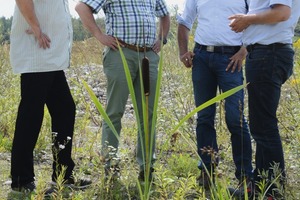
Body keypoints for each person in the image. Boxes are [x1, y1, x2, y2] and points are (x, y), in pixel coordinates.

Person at [75, 0, 170, 181]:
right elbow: (81, 7)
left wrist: (162, 38)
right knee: (114, 111)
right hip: (120, 53)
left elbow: (165, 14)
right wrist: (99, 35)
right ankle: (110, 166)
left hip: (148, 56)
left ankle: (147, 167)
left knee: (148, 113)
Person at [10, 0, 91, 194]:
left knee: (65, 109)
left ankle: (62, 176)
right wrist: (36, 27)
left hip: (51, 57)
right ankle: (21, 180)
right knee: (31, 116)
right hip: (37, 55)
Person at [177, 0, 253, 191]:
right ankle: (207, 171)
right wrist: (182, 51)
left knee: (236, 118)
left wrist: (244, 51)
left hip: (231, 58)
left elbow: (255, 21)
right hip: (202, 57)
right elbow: (185, 22)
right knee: (204, 116)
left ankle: (245, 176)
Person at [229, 0, 300, 198]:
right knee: (261, 125)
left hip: (268, 54)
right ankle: (261, 186)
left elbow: (282, 13)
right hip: (265, 54)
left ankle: (273, 191)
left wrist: (246, 20)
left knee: (264, 126)